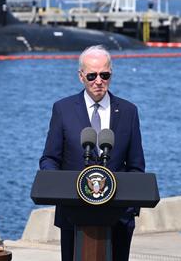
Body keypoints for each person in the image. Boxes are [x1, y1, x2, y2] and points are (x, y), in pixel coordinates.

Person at [40, 45, 145, 261]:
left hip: (118, 219)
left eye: (104, 75)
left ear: (111, 74)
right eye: (92, 75)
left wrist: (129, 209)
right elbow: (50, 158)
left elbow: (136, 165)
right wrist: (58, 187)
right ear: (81, 77)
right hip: (73, 215)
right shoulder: (63, 109)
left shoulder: (128, 111)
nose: (99, 81)